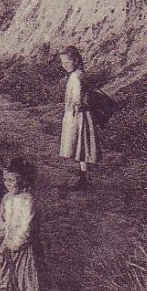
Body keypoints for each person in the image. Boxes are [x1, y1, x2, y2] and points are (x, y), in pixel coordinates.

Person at [0, 158, 43, 291]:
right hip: (7, 246)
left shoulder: (28, 200)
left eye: (12, 180)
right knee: (4, 276)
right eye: (5, 180)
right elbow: (3, 221)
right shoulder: (7, 198)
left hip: (24, 248)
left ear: (24, 180)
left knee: (25, 279)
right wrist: (1, 240)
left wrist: (15, 244)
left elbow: (27, 227)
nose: (7, 183)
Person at [57, 45, 100, 187]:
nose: (65, 65)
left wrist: (74, 106)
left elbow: (78, 99)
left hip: (78, 116)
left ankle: (85, 178)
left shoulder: (76, 77)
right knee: (82, 146)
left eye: (67, 62)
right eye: (63, 63)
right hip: (79, 114)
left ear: (75, 60)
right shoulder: (78, 74)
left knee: (81, 144)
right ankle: (84, 176)